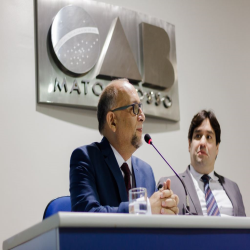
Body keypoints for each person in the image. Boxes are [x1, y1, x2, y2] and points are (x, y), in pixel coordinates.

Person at [70, 78, 179, 214]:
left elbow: (151, 223)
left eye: (141, 108)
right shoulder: (86, 158)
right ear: (112, 121)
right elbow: (86, 215)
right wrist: (145, 208)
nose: (142, 116)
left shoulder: (146, 171)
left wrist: (164, 208)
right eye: (134, 108)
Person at [158, 110, 246, 216]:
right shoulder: (170, 186)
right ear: (189, 144)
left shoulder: (233, 188)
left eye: (209, 137)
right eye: (198, 136)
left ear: (217, 148)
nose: (203, 143)